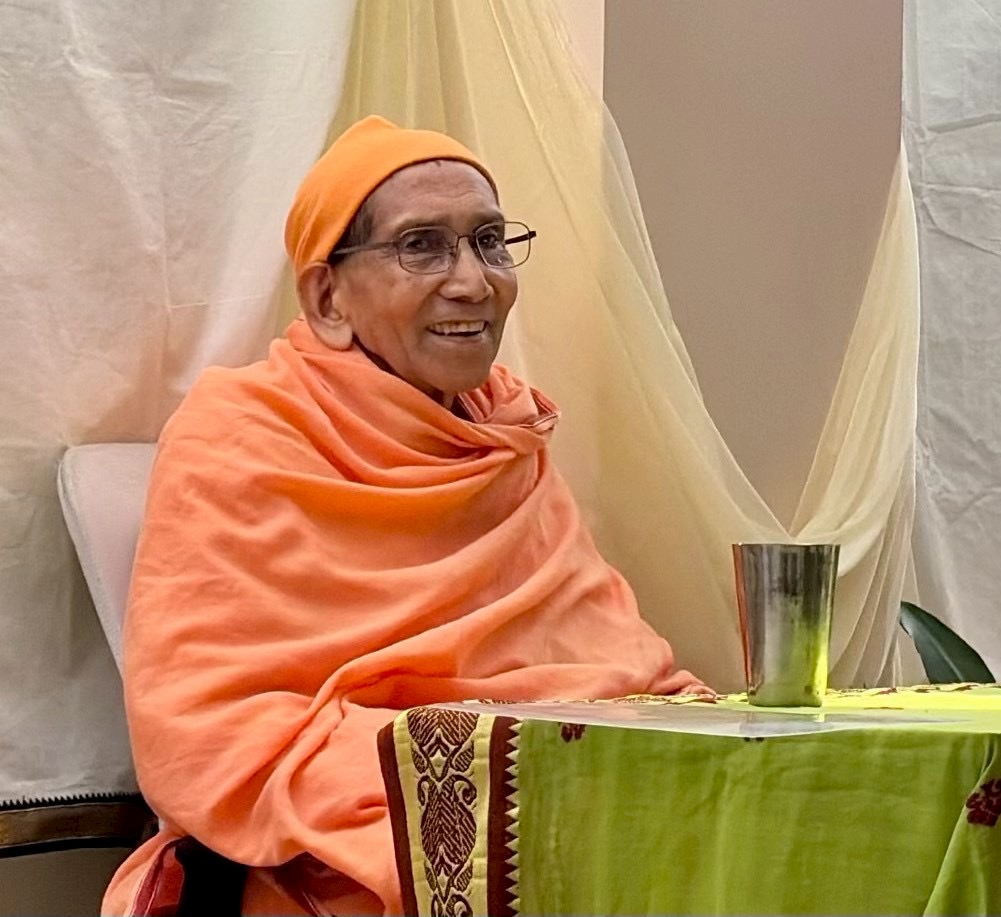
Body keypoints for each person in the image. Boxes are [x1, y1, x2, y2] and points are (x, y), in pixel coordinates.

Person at [102, 116, 705, 916]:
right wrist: (485, 778)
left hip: (563, 795)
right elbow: (206, 730)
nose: (473, 282)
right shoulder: (241, 437)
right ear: (328, 297)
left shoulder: (502, 438)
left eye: (489, 242)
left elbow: (616, 666)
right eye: (423, 246)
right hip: (335, 860)